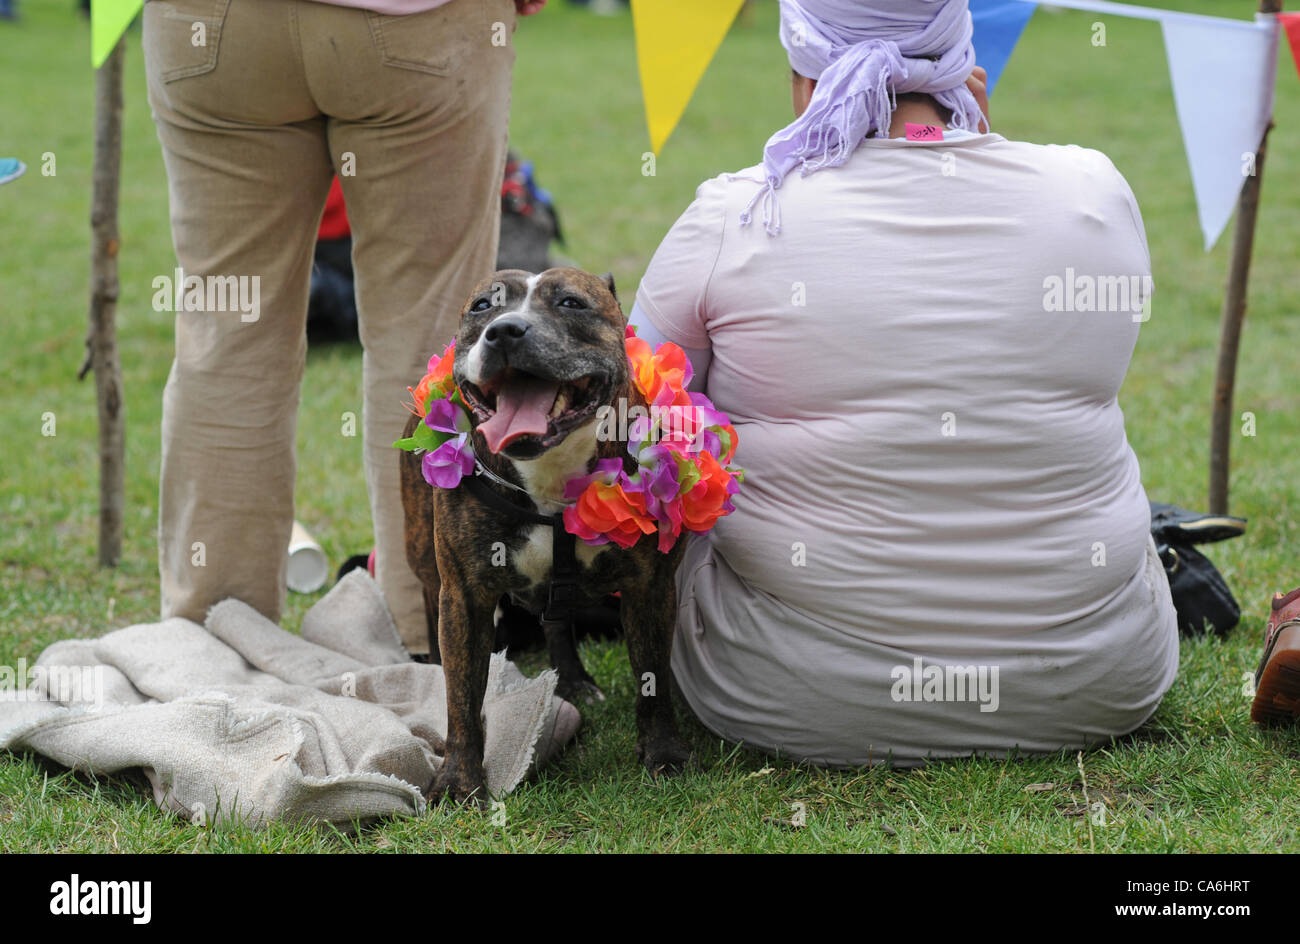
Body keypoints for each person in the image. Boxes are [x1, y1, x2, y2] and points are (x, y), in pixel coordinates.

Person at [628, 0, 1180, 766]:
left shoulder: (737, 213)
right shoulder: (1091, 190)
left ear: (803, 68)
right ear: (962, 60)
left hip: (789, 693)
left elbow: (634, 416)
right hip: (1099, 682)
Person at [146, 0, 544, 654]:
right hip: (419, 27)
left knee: (226, 340)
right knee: (427, 343)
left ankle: (207, 640)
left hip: (211, 27)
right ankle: (429, 636)